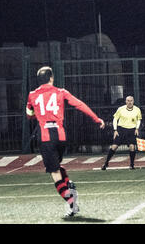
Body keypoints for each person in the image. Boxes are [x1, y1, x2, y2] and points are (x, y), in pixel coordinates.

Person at [26, 66, 105, 217]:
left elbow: (29, 115)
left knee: (54, 172)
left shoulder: (32, 95)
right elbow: (79, 104)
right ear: (51, 78)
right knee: (57, 166)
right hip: (61, 136)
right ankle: (69, 186)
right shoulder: (61, 92)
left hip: (46, 137)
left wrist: (37, 112)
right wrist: (96, 118)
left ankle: (71, 202)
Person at [102, 95, 142, 170]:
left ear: (133, 101)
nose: (129, 102)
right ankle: (106, 163)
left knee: (132, 147)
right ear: (125, 101)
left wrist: (137, 128)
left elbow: (139, 119)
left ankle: (132, 165)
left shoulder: (137, 110)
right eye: (128, 101)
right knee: (114, 146)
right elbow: (115, 119)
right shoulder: (120, 109)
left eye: (131, 101)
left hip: (131, 130)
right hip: (121, 129)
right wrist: (115, 130)